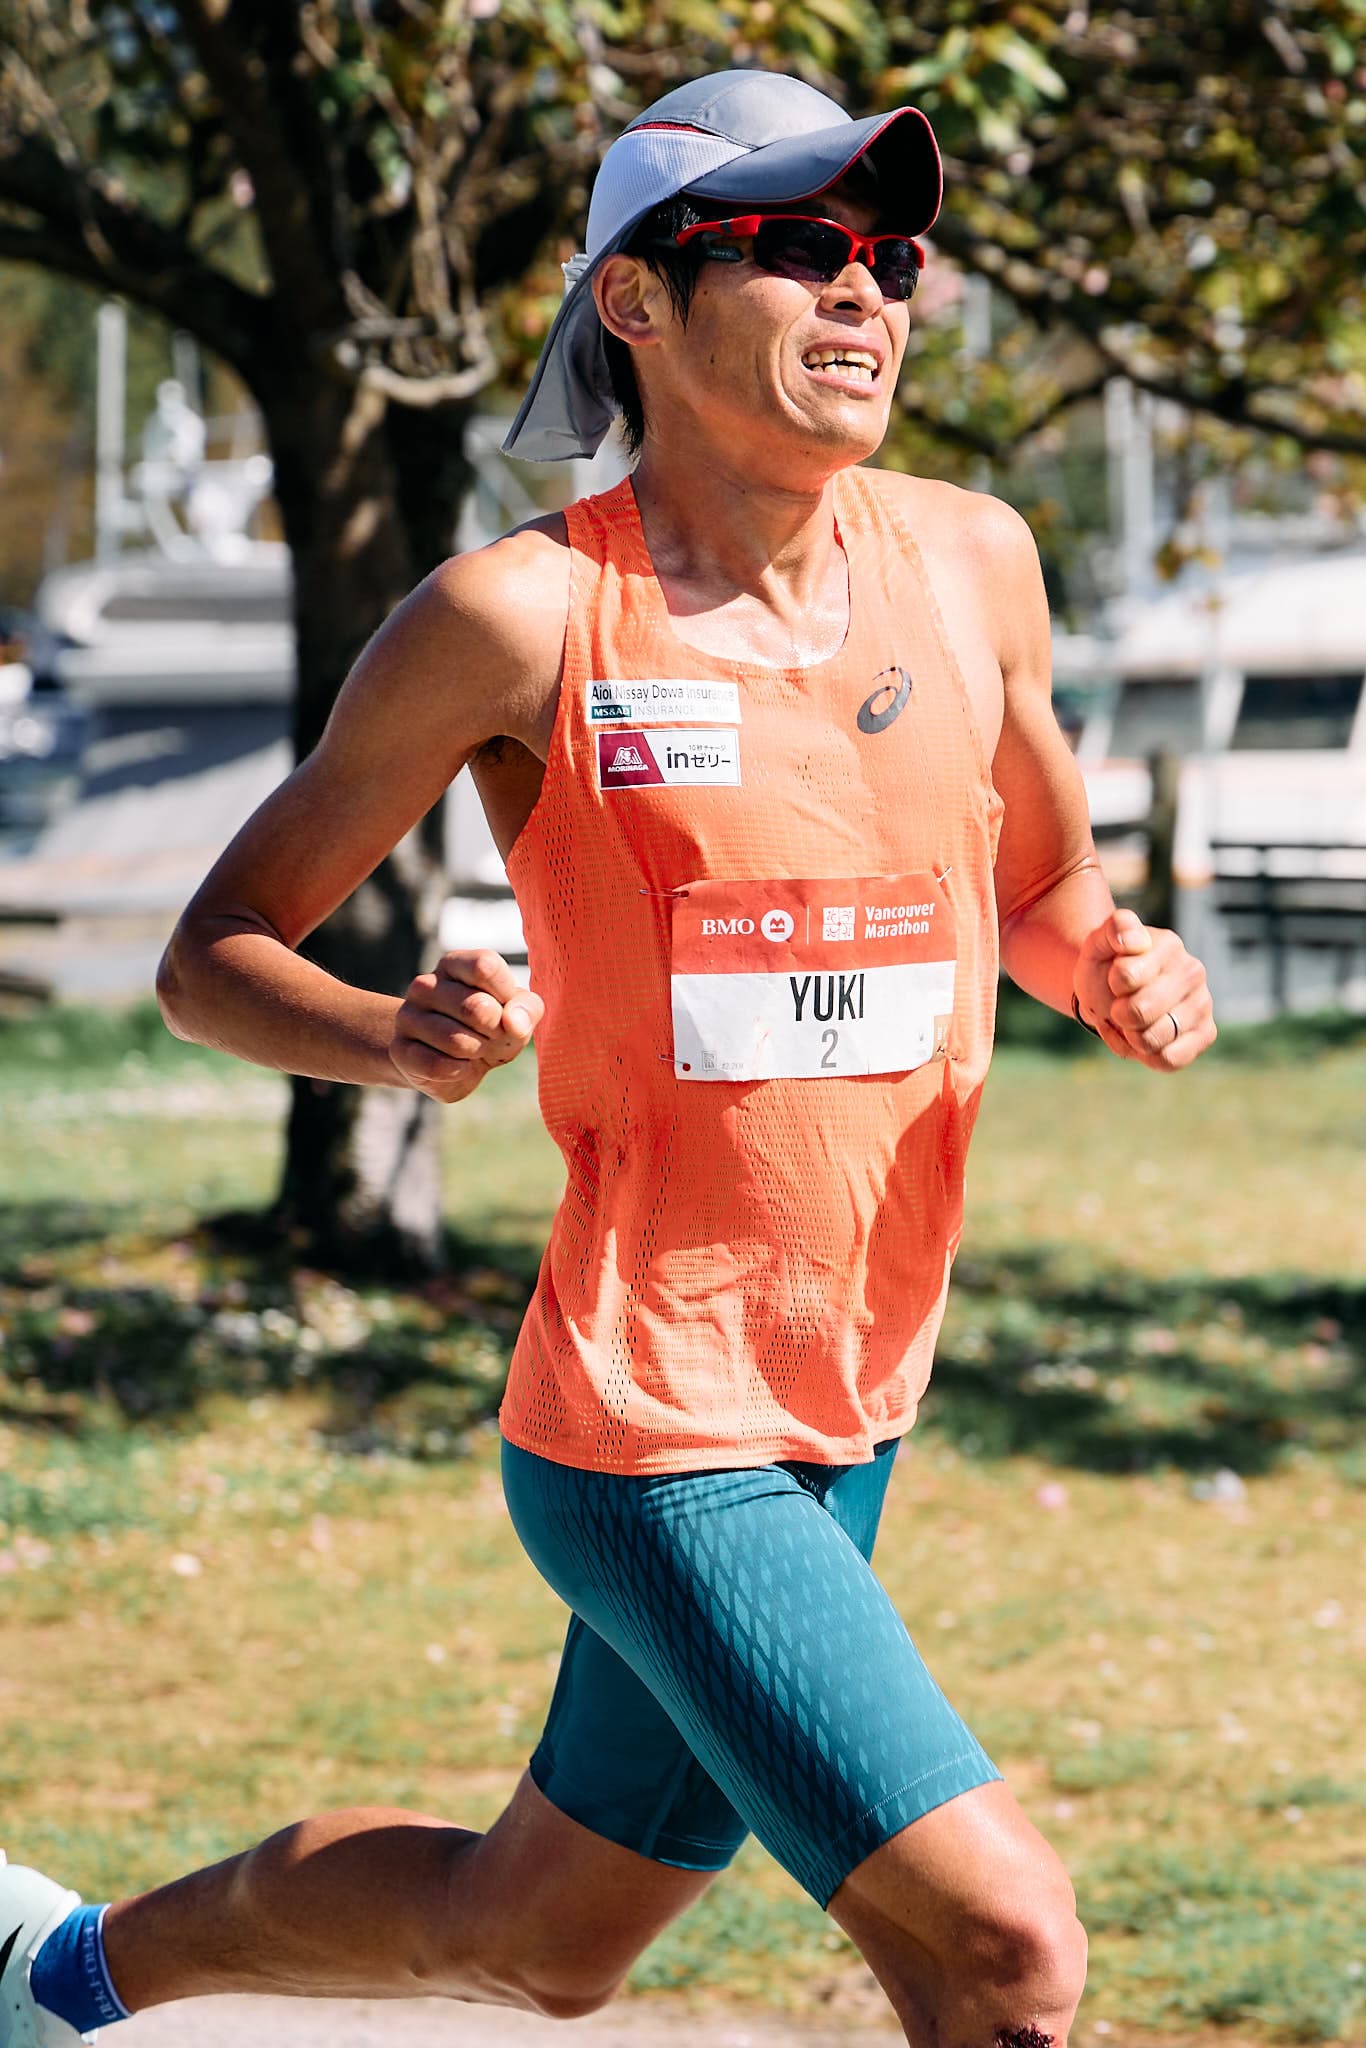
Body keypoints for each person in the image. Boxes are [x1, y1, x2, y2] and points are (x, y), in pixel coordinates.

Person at [1, 68, 1216, 2048]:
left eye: (887, 254)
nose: (862, 289)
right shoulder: (522, 614)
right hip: (651, 1422)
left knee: (539, 1937)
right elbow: (209, 957)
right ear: (634, 301)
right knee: (1006, 1953)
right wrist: (397, 1041)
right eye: (795, 244)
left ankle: (59, 1973)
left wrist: (1111, 965)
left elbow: (1040, 886)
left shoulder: (973, 560)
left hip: (853, 1389)